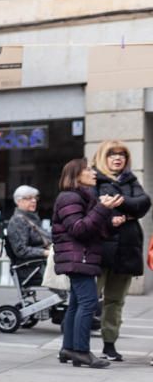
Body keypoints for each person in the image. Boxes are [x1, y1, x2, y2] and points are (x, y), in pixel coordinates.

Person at [52, 158, 121, 369]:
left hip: (80, 256)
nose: (94, 173)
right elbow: (79, 229)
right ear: (76, 175)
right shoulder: (69, 197)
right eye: (88, 169)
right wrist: (101, 208)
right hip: (77, 257)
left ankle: (68, 348)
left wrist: (110, 219)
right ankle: (81, 351)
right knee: (89, 302)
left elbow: (92, 228)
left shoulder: (81, 196)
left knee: (76, 303)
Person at [92, 140, 150, 362]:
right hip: (101, 248)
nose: (117, 158)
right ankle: (75, 345)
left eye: (122, 154)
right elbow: (92, 208)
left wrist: (120, 203)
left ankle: (109, 345)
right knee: (87, 300)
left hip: (126, 249)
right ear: (102, 157)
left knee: (115, 301)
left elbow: (143, 203)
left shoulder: (131, 180)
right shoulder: (93, 179)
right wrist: (121, 213)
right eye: (112, 154)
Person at [6, 185, 52, 264]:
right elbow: (21, 250)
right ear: (18, 201)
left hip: (42, 263)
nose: (34, 201)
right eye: (29, 198)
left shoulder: (31, 218)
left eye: (35, 198)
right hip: (32, 266)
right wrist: (46, 252)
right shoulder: (18, 221)